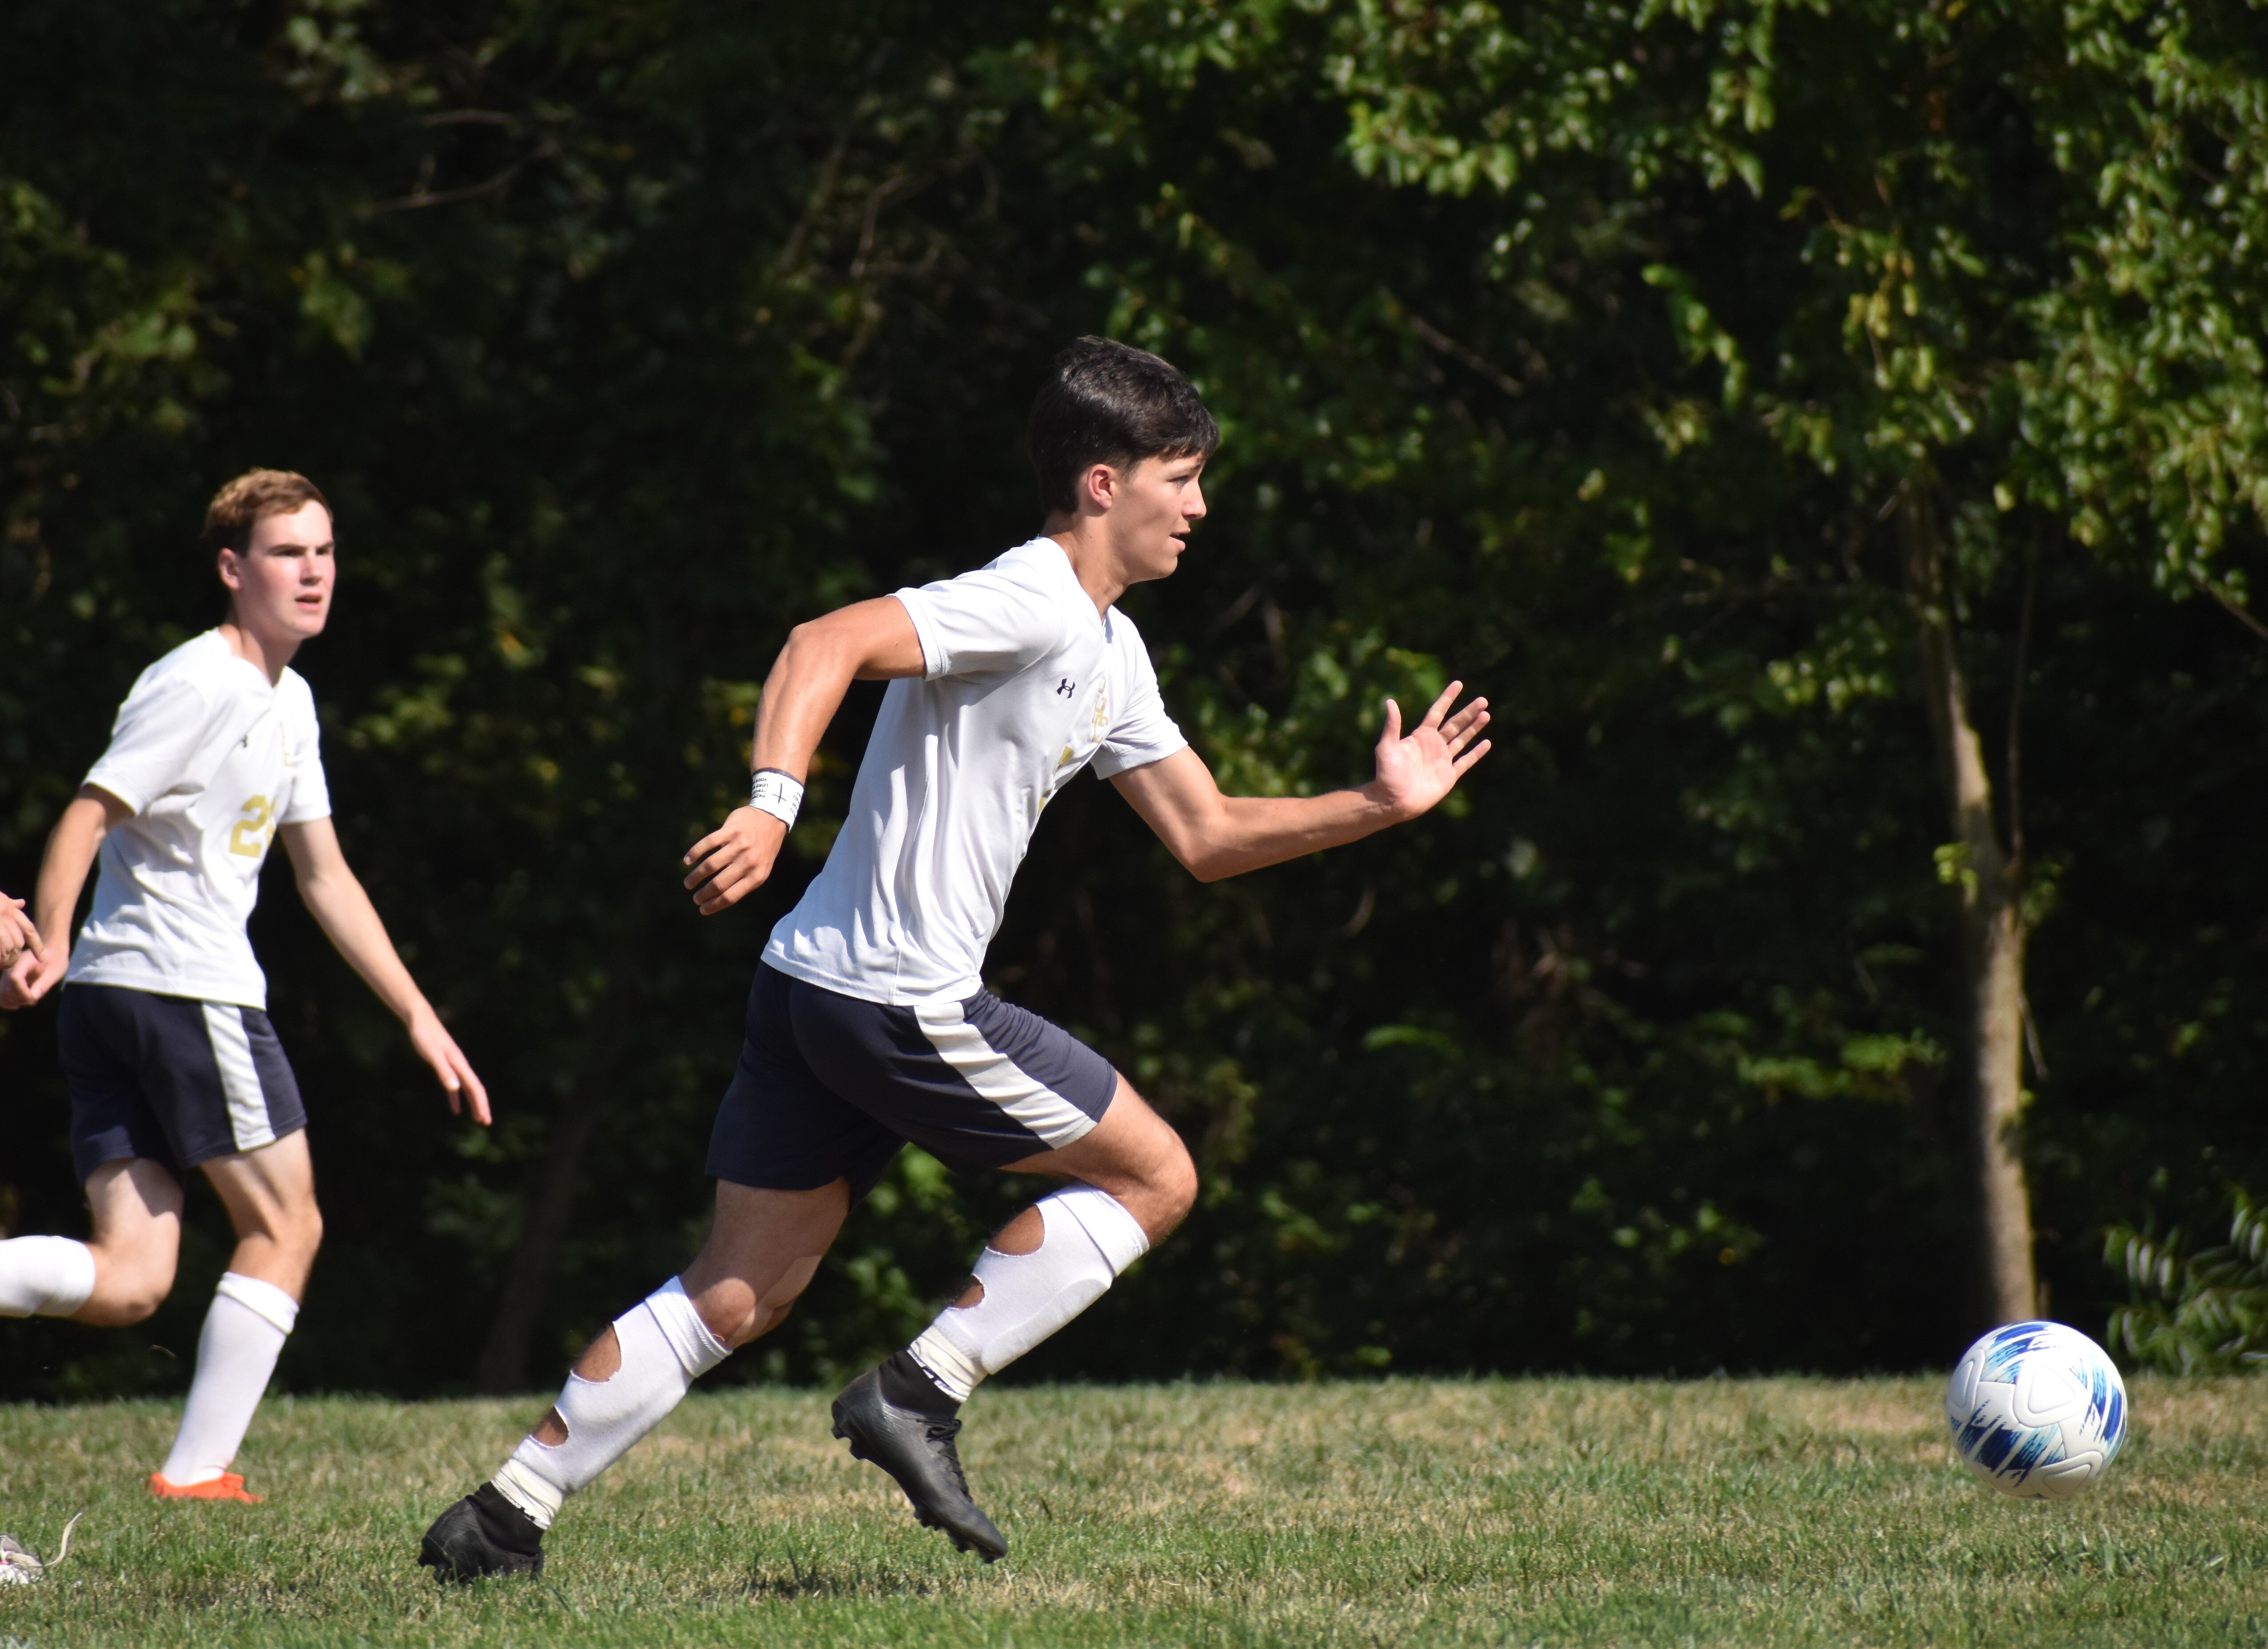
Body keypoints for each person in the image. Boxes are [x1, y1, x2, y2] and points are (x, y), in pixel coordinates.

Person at [416, 336, 1490, 1580]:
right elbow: (822, 642)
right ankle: (920, 1391)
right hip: (899, 1002)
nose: (1199, 508)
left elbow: (1205, 836)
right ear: (1102, 483)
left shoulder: (1111, 648)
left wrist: (1375, 805)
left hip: (809, 985)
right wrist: (771, 805)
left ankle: (499, 1521)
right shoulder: (1030, 596)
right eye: (1180, 479)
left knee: (738, 1291)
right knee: (1157, 1177)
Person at [0, 469, 489, 1502]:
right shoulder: (205, 682)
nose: (313, 572)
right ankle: (195, 1473)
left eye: (324, 550)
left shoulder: (289, 697)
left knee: (132, 1278)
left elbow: (324, 875)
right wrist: (44, 943)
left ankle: (193, 1466)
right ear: (233, 568)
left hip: (116, 996)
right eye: (286, 552)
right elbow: (90, 813)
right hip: (182, 989)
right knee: (289, 1225)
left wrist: (418, 1013)